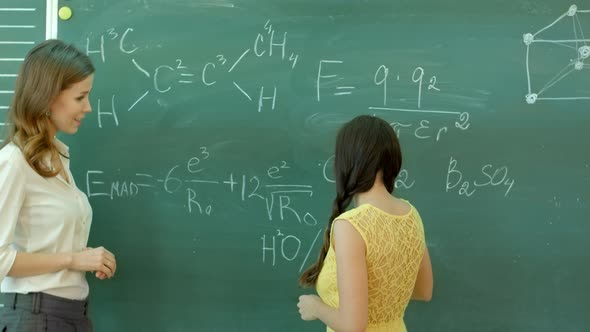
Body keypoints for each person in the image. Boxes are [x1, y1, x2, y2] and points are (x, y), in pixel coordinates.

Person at [0, 39, 117, 332]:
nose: (88, 108)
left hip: (71, 316)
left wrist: (88, 258)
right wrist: (74, 259)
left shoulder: (58, 159)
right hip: (36, 317)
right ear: (49, 96)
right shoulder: (14, 161)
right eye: (81, 97)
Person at [297, 115, 433, 332]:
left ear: (346, 161)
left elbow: (354, 327)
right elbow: (424, 291)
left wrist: (316, 307)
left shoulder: (351, 225)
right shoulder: (411, 214)